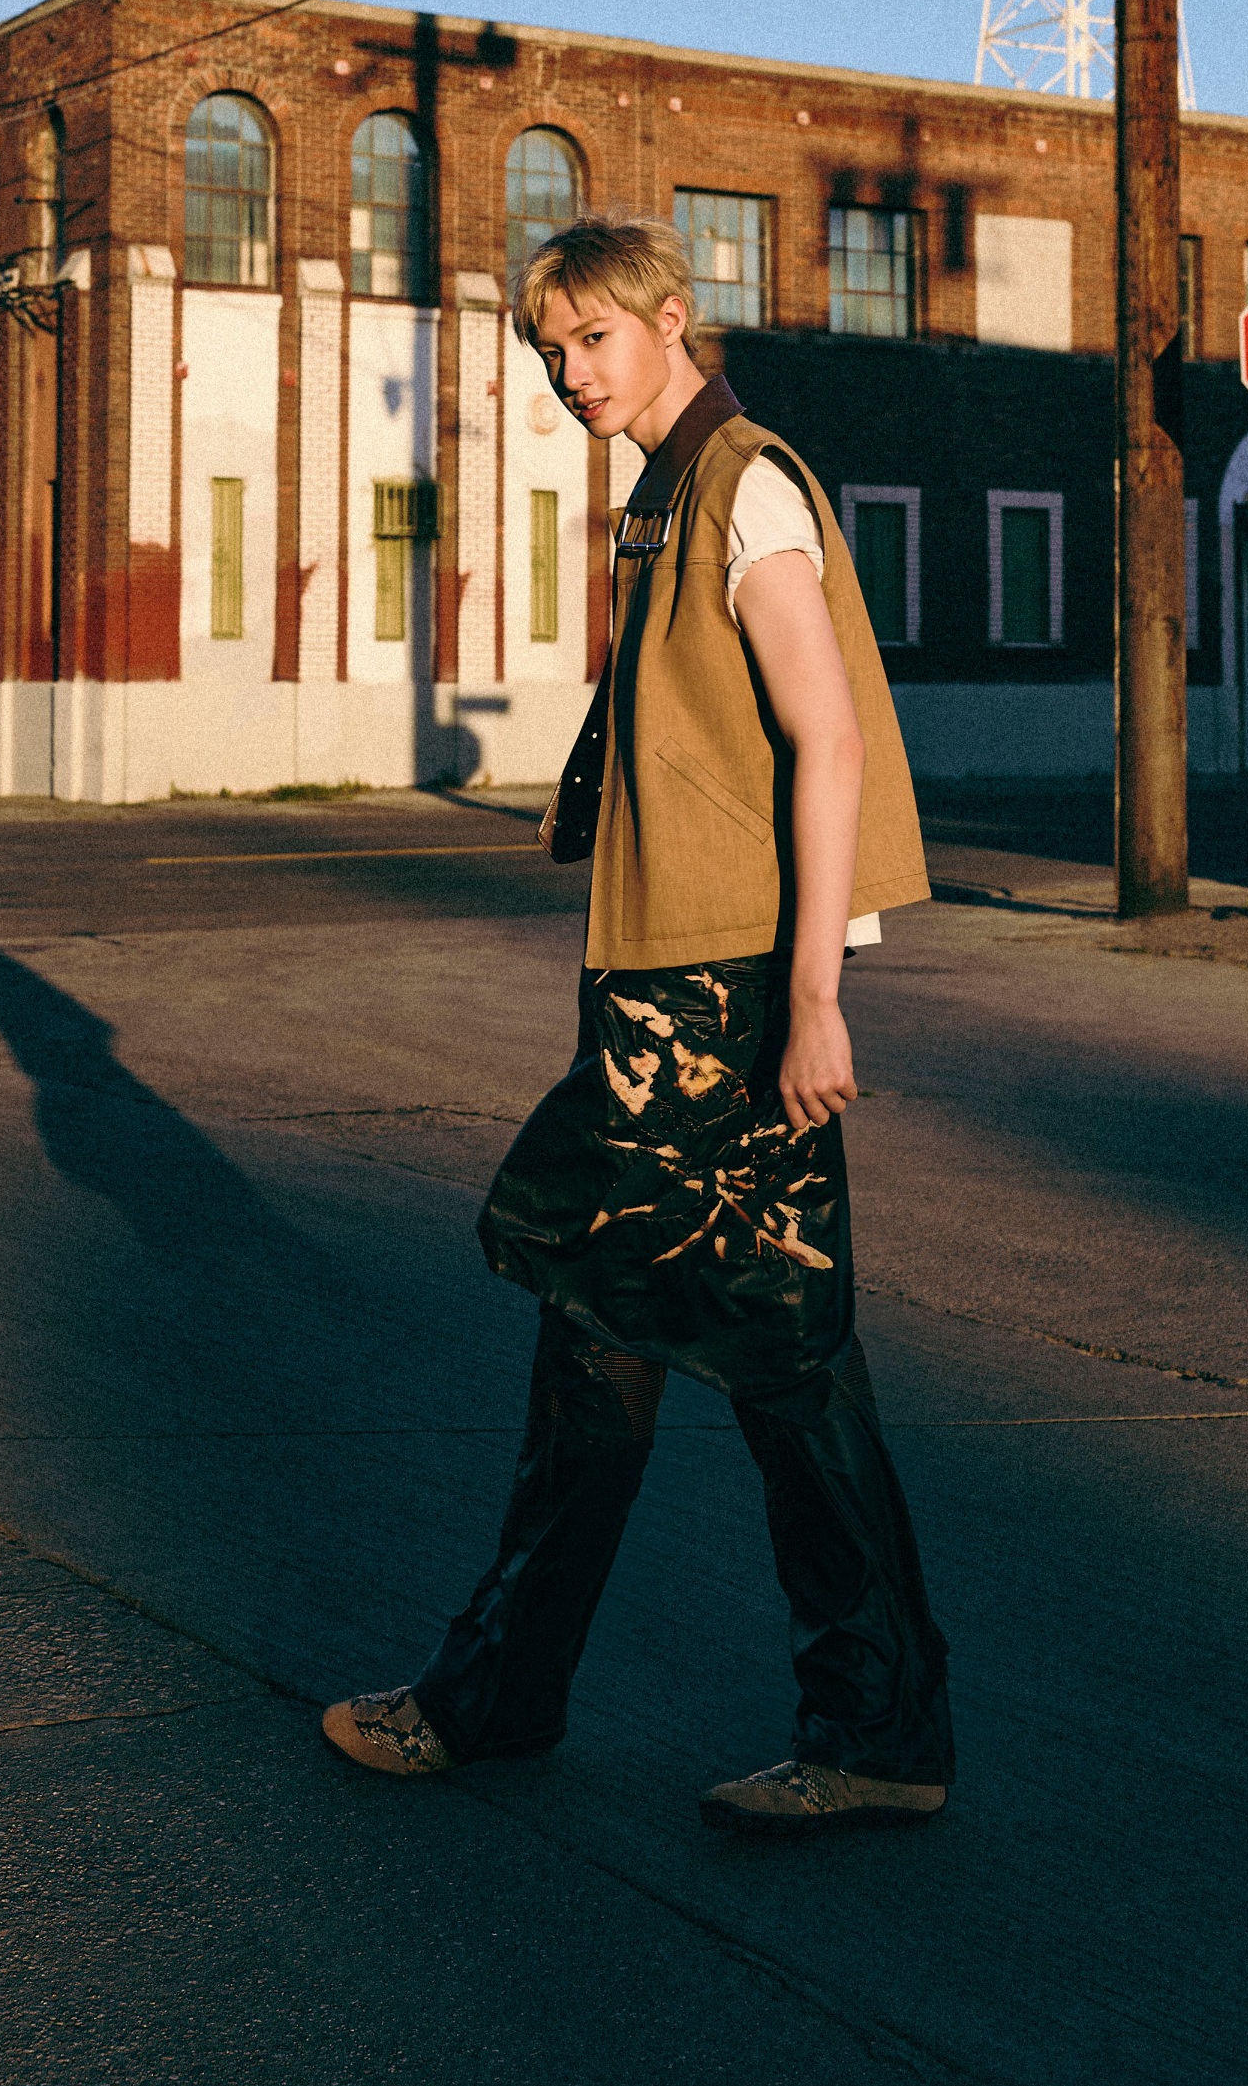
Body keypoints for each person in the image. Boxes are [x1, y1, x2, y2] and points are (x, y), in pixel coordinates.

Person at [324, 216, 954, 1831]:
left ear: (672, 320)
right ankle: (866, 1726)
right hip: (679, 980)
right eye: (551, 351)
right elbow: (693, 710)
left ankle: (503, 1700)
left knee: (617, 1302)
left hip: (713, 1001)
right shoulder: (668, 491)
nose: (569, 374)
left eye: (592, 340)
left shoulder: (743, 483)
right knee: (741, 1352)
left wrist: (812, 999)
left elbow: (826, 739)